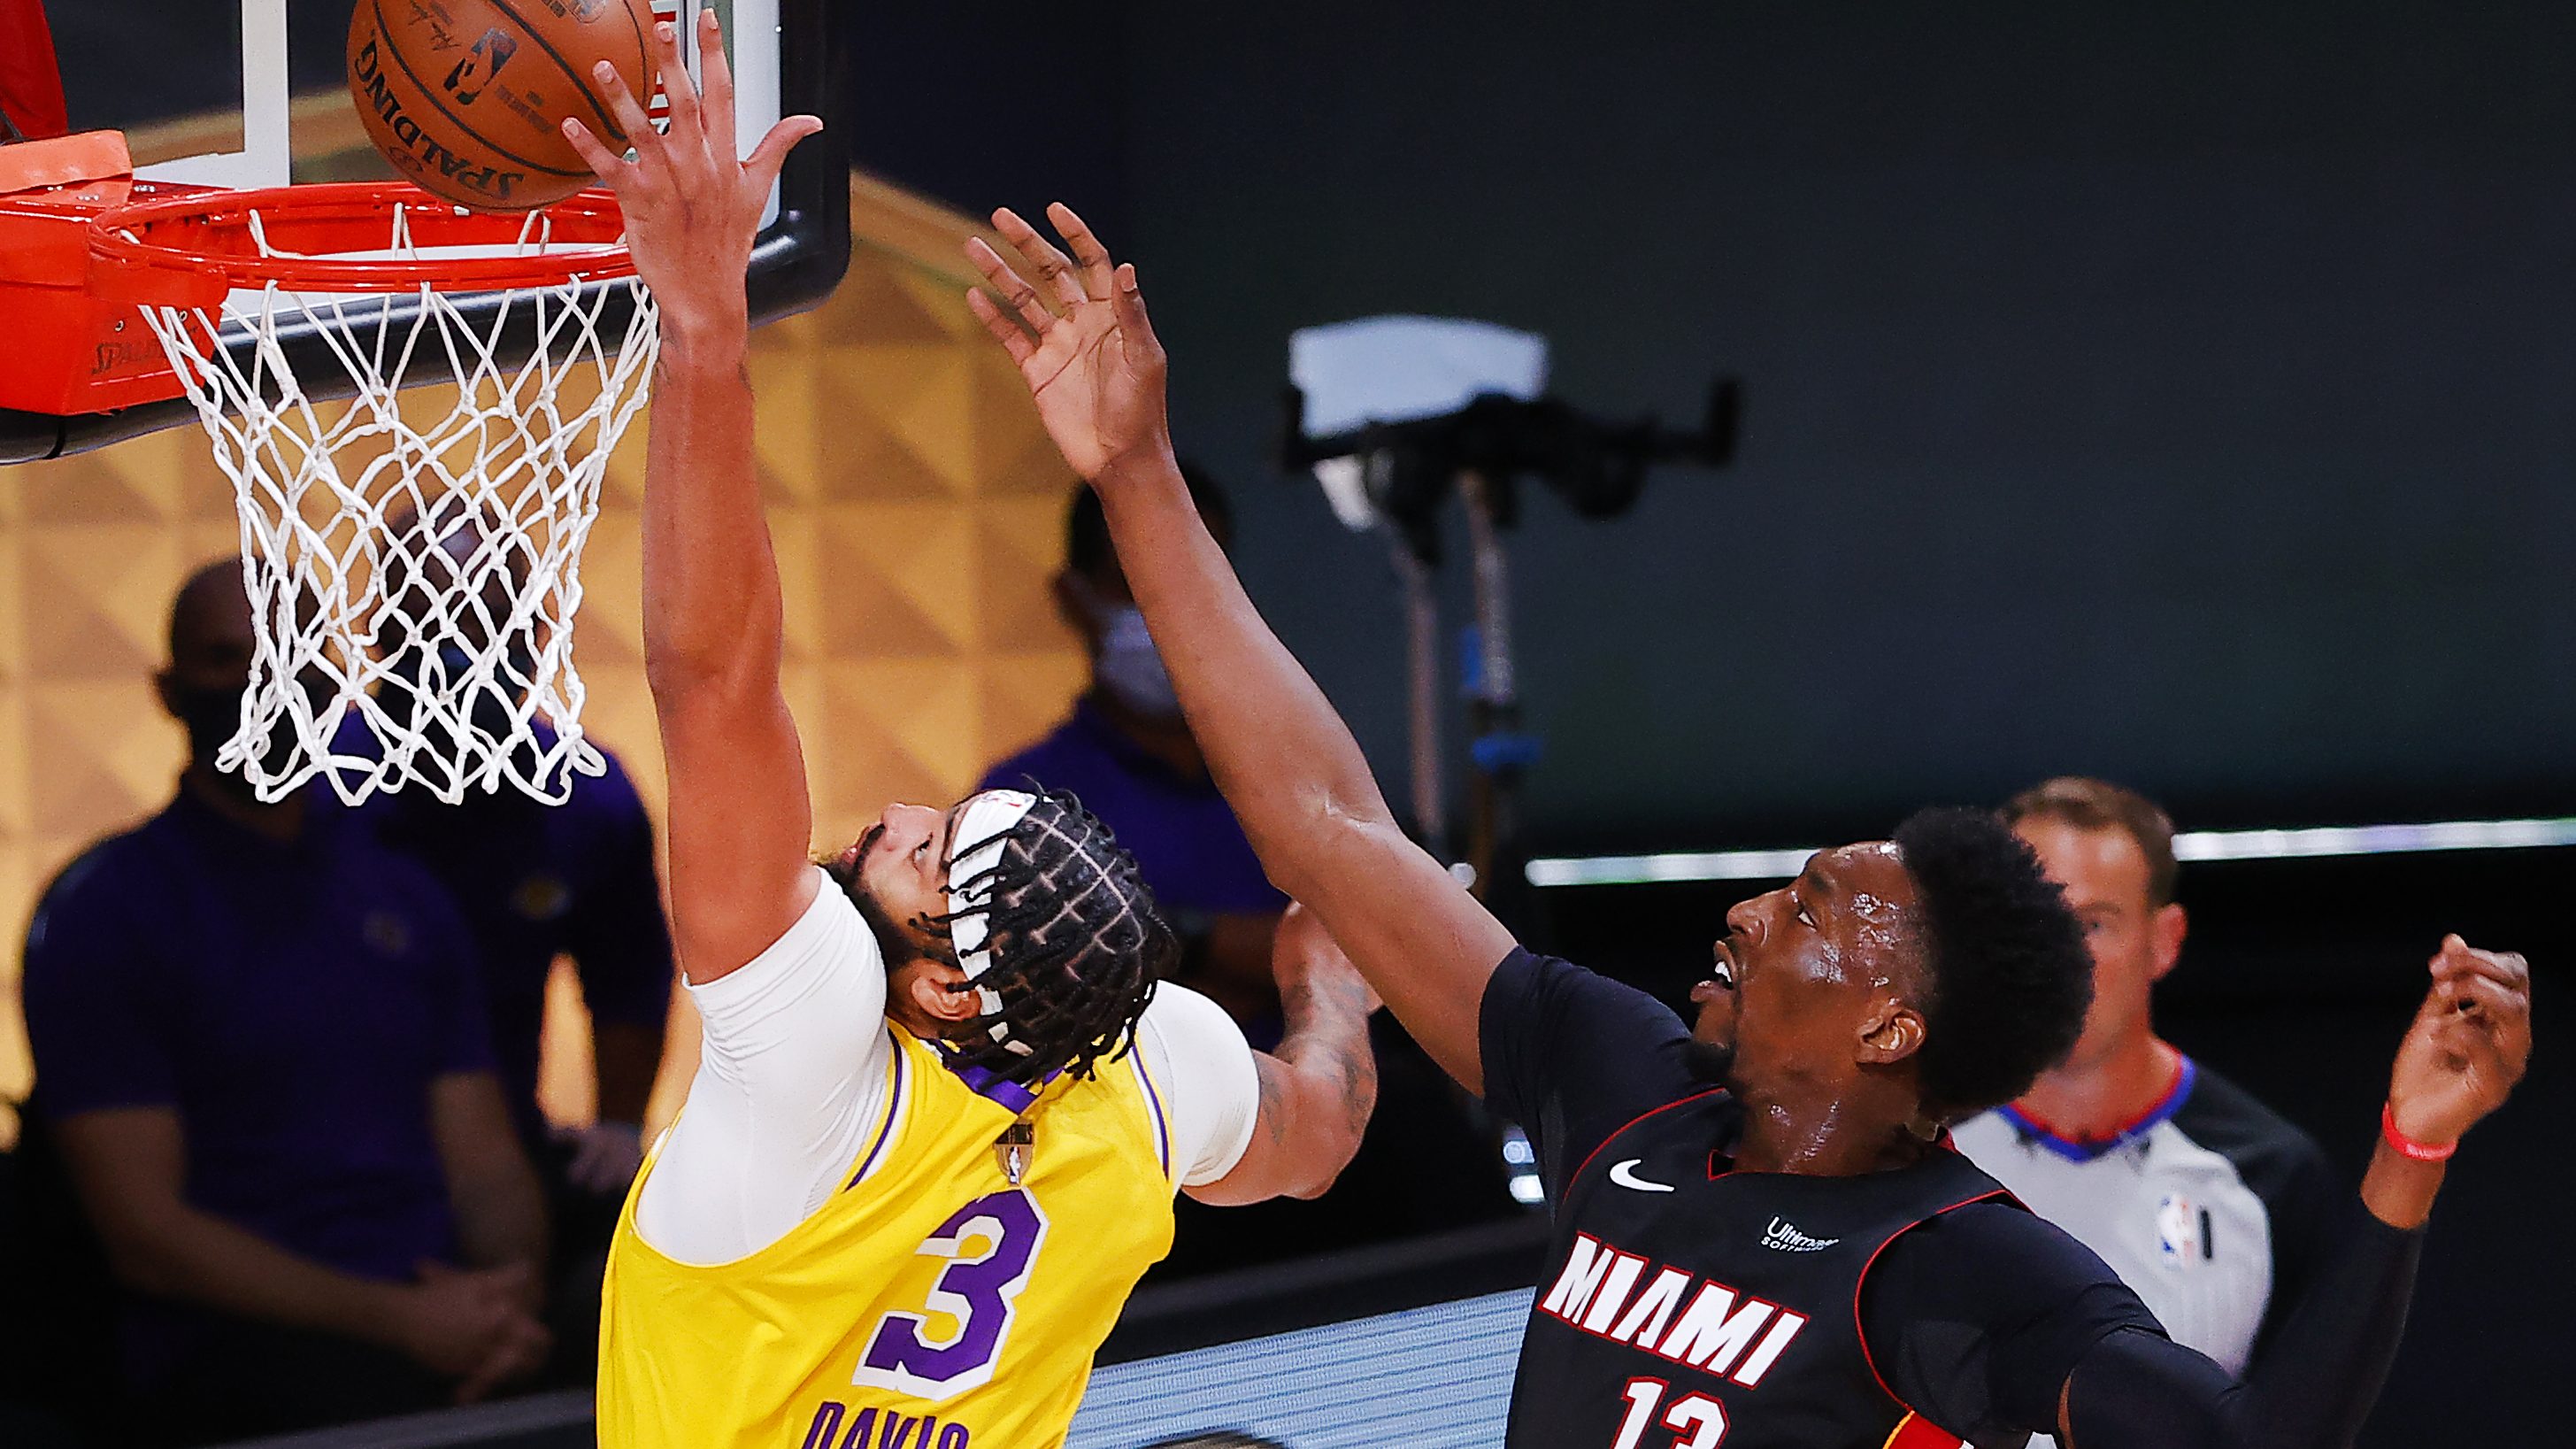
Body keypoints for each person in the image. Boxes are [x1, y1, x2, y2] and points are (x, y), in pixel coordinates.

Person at [965, 203, 2535, 1447]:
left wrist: (2411, 1150)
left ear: (1891, 1023)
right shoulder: (1620, 1074)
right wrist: (1138, 471)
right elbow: (1325, 824)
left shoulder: (1958, 1260)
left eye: (1807, 908)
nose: (1744, 915)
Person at [567, 19, 1380, 1449]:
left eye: (926, 850)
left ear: (943, 992)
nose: (892, 815)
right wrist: (1337, 999)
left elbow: (716, 683)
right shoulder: (1151, 1071)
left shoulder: (815, 1061)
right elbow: (1318, 1134)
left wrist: (700, 324)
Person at [18, 561, 552, 1445]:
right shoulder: (105, 911)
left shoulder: (407, 895)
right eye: (229, 658)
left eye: (293, 651)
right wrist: (404, 1321)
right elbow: (145, 1232)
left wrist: (512, 1300)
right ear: (171, 690)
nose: (265, 681)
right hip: (236, 1350)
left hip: (452, 1315)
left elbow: (485, 1160)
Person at [1952, 778, 2339, 1408]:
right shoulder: (1908, 1149)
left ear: (2164, 939)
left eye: (2092, 923)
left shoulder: (2269, 1176)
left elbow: (2309, 1422)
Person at [984, 474, 1286, 1033]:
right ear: (1075, 600)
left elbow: (1363, 958)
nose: (1172, 612)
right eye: (1137, 584)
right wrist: (1247, 958)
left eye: (1198, 584)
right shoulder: (1026, 800)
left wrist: (1158, 943)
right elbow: (1044, 988)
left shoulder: (1300, 777)